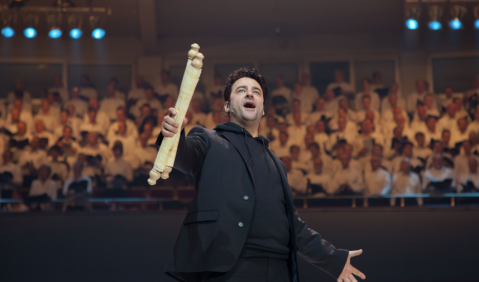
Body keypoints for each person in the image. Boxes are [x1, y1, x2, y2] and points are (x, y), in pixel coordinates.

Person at [158, 68, 364, 282]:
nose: (249, 94)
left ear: (263, 108)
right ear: (227, 106)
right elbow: (181, 154)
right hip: (229, 268)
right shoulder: (208, 140)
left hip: (278, 271)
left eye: (256, 91)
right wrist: (172, 136)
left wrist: (333, 259)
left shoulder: (277, 163)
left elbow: (293, 225)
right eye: (241, 90)